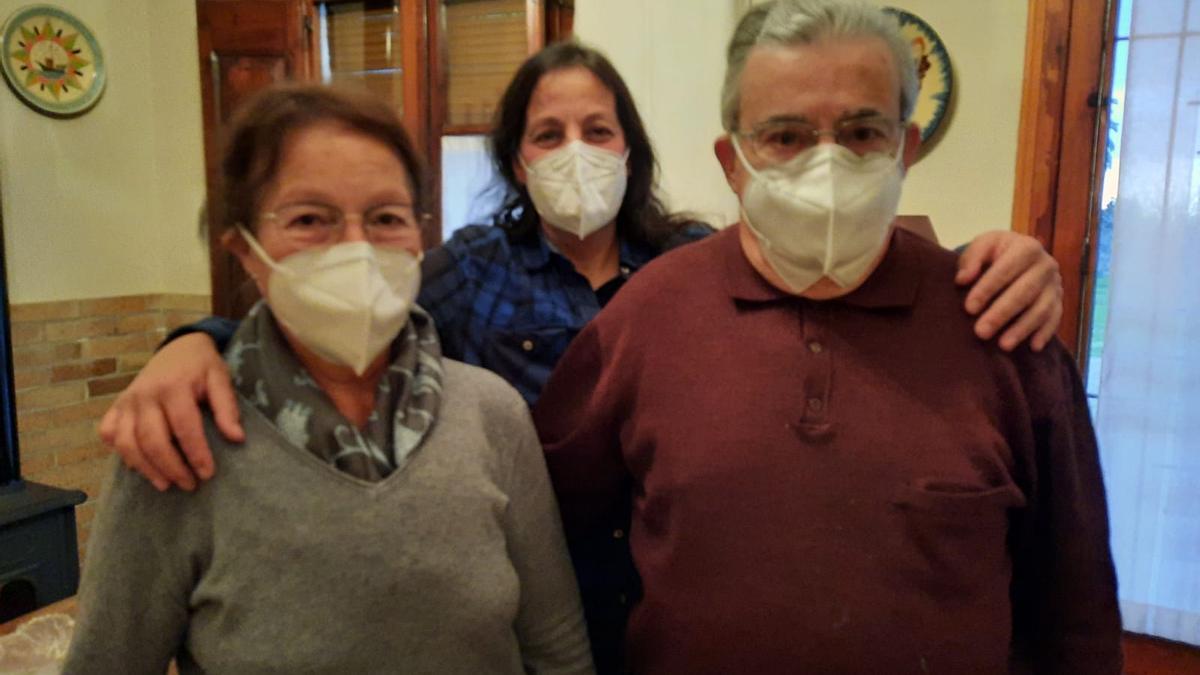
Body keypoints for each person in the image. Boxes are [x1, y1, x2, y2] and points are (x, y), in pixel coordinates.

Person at [99, 41, 1063, 673]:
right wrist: (199, 343)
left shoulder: (692, 265)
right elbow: (344, 317)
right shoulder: (465, 271)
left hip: (639, 604)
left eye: (597, 130)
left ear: (632, 149)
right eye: (546, 133)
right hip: (553, 600)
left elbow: (843, 276)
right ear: (516, 158)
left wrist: (1003, 258)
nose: (574, 151)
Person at [532, 1, 1122, 673]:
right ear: (731, 161)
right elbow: (546, 536)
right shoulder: (644, 319)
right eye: (784, 136)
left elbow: (1078, 611)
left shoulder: (1002, 326)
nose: (827, 164)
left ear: (908, 147)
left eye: (863, 131)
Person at [63, 84, 592, 675]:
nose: (356, 249)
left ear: (421, 235)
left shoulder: (492, 413)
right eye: (310, 218)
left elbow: (557, 645)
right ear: (244, 250)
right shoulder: (179, 438)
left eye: (386, 217)